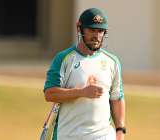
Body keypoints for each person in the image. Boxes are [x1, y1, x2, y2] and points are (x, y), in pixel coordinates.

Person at [43, 8, 126, 140]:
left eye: (100, 31)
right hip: (69, 135)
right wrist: (81, 92)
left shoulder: (112, 62)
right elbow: (50, 94)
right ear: (79, 29)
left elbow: (117, 98)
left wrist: (120, 130)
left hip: (103, 136)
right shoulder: (64, 58)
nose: (96, 36)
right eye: (92, 30)